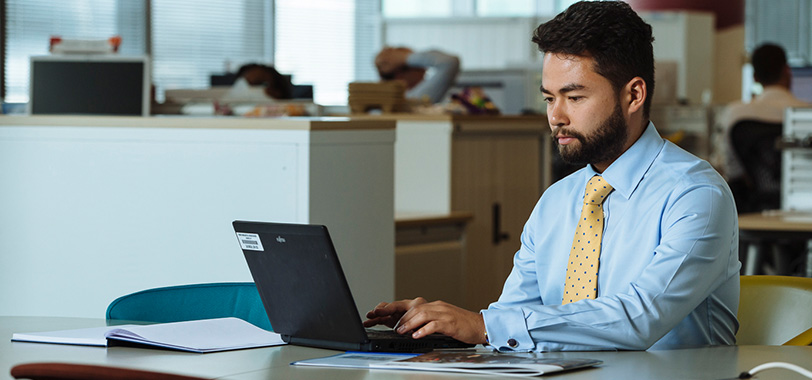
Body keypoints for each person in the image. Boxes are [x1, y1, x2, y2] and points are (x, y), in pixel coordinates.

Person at [364, 1, 740, 352]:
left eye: (574, 98)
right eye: (549, 98)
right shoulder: (557, 201)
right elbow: (510, 321)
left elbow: (641, 317)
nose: (555, 116)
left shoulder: (696, 195)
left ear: (634, 95)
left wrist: (482, 325)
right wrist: (437, 328)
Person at [718, 44, 809, 188]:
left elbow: (732, 170)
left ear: (755, 77)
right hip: (802, 201)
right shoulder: (807, 113)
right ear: (787, 71)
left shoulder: (735, 113)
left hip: (753, 205)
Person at [374, 47, 460, 103]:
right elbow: (449, 62)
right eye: (416, 64)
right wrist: (404, 58)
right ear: (399, 75)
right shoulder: (413, 100)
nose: (424, 69)